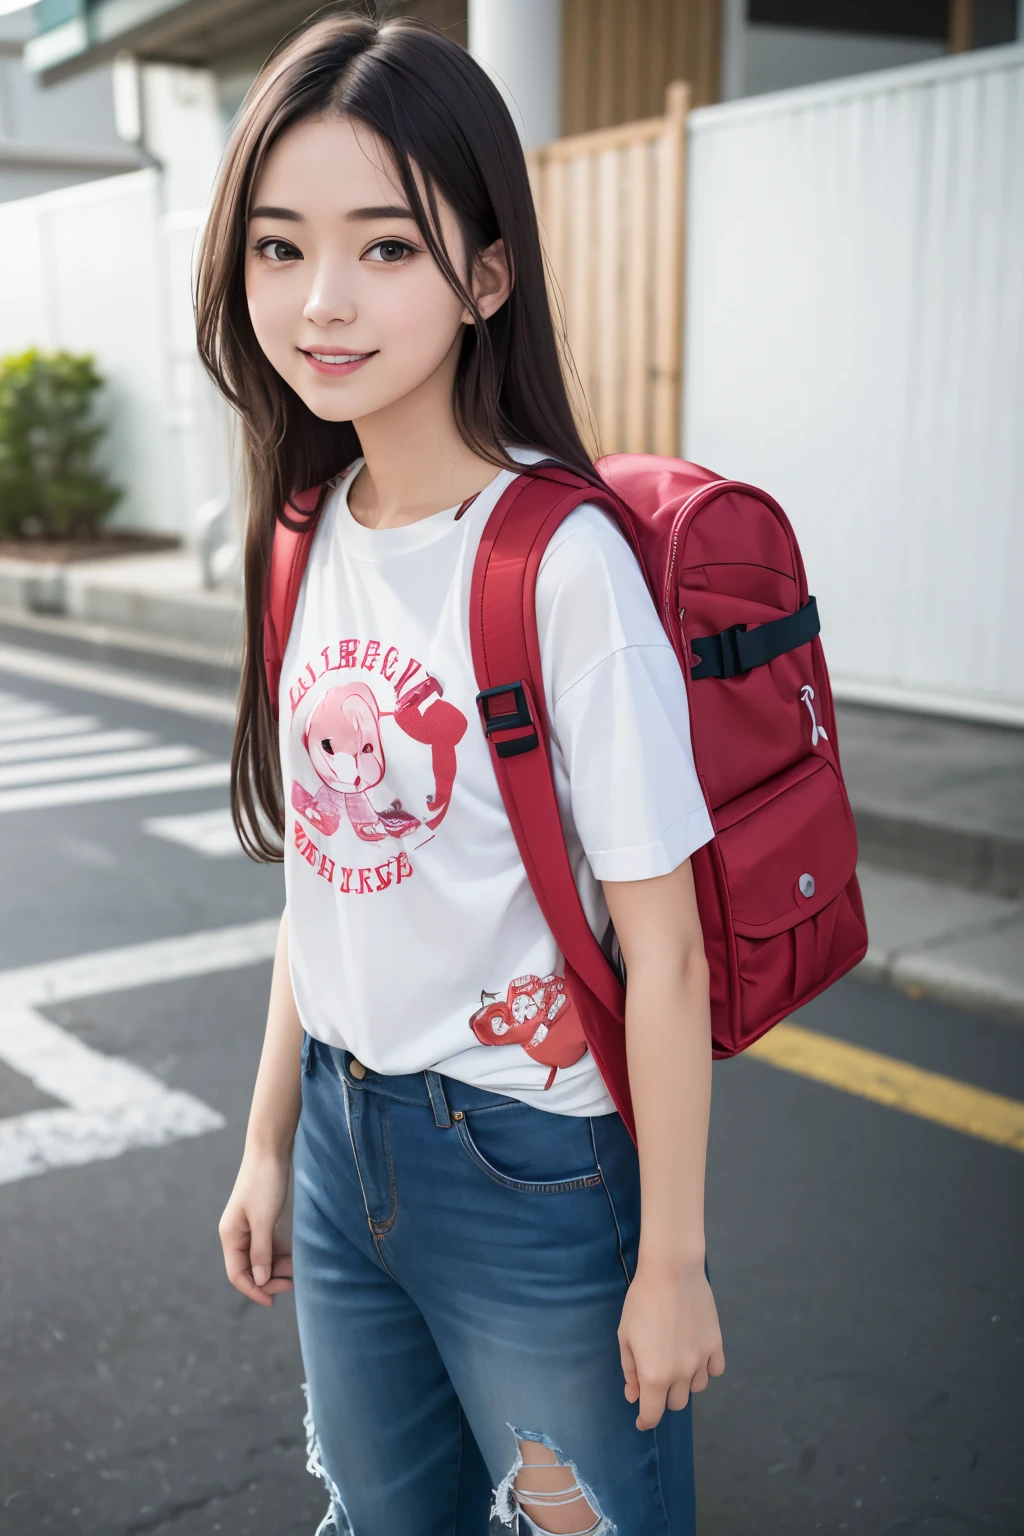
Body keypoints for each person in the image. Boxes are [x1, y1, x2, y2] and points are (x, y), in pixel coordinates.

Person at [198, 14, 724, 1534]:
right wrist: (266, 1136)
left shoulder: (558, 567)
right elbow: (329, 874)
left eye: (384, 248)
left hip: (530, 1166)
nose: (323, 302)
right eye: (281, 250)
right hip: (343, 1153)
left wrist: (673, 1259)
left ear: (487, 274)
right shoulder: (302, 534)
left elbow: (670, 951)